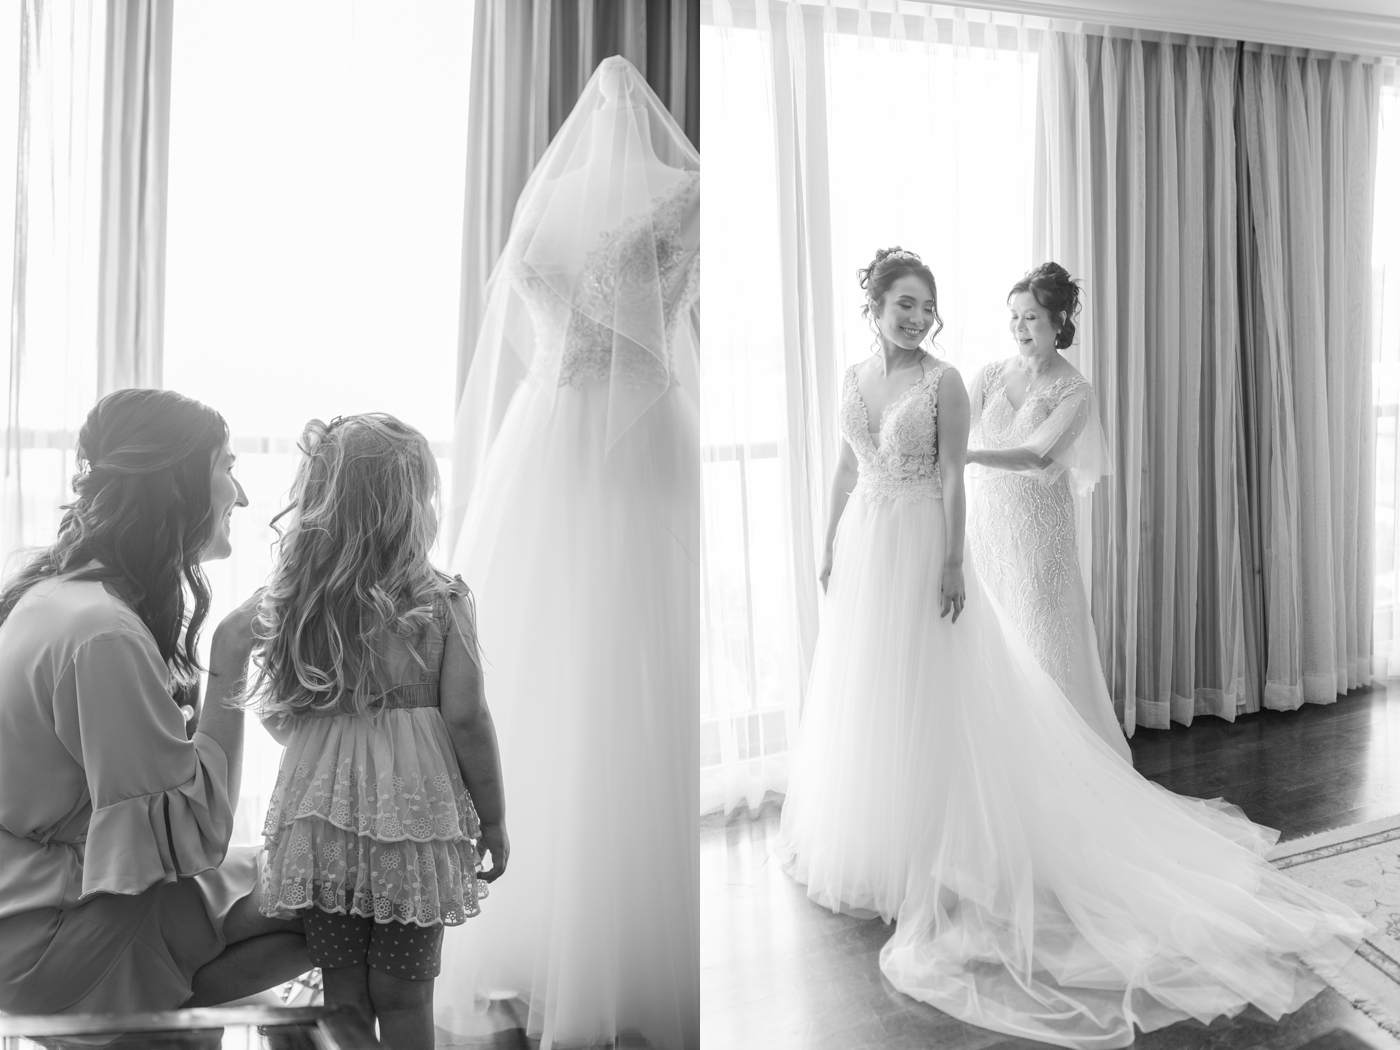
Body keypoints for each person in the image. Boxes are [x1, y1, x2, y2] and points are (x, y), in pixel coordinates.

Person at [778, 247, 1368, 1049]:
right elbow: (848, 463)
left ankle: (993, 820)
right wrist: (826, 542)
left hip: (957, 535)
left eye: (926, 305)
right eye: (903, 304)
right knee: (873, 689)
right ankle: (883, 841)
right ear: (875, 306)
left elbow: (971, 470)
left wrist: (952, 556)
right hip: (875, 541)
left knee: (977, 678)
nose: (915, 318)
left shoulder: (979, 384)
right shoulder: (878, 378)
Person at [438, 56, 699, 1050]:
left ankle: (566, 922)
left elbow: (555, 317)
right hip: (616, 445)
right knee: (582, 657)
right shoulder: (678, 207)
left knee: (558, 654)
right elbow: (648, 328)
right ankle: (576, 925)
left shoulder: (543, 210)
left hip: (550, 435)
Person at [0, 387, 309, 1015]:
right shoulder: (102, 634)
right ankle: (138, 1014)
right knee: (347, 901)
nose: (243, 496)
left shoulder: (61, 596)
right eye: (227, 465)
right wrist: (229, 656)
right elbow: (197, 836)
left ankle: (161, 1016)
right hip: (42, 927)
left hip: (30, 893)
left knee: (323, 888)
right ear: (176, 485)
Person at [246, 413, 506, 1050]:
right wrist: (493, 819)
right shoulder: (442, 600)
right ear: (412, 505)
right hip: (413, 826)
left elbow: (277, 713)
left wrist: (330, 754)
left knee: (344, 989)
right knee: (407, 993)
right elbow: (467, 719)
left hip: (323, 822)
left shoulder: (301, 598)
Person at [965, 262, 1129, 759]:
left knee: (1041, 635)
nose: (1019, 328)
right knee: (995, 632)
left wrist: (967, 456)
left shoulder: (1074, 391)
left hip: (1040, 532)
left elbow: (1037, 456)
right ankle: (1004, 754)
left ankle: (1058, 754)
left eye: (1031, 317)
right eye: (1014, 317)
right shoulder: (990, 375)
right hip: (987, 524)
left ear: (1058, 322)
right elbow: (953, 429)